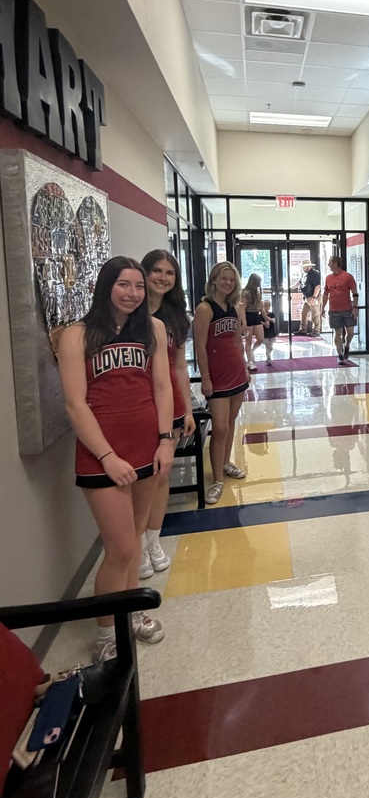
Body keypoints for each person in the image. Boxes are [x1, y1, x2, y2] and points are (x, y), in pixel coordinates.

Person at [58, 256, 174, 662]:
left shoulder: (152, 329)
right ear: (106, 286)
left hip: (147, 447)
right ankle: (107, 633)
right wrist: (106, 456)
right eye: (124, 284)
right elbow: (75, 404)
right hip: (101, 454)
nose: (133, 293)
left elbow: (162, 388)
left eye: (139, 286)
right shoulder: (77, 335)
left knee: (136, 541)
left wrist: (165, 440)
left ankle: (131, 614)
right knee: (121, 548)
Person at [139, 249, 195, 580]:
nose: (162, 277)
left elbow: (178, 367)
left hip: (170, 404)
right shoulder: (129, 313)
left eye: (169, 273)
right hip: (137, 404)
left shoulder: (176, 317)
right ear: (144, 273)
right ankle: (136, 543)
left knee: (161, 477)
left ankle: (152, 542)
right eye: (157, 271)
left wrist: (187, 407)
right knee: (142, 479)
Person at [193, 261, 249, 505]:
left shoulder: (233, 308)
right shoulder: (204, 309)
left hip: (236, 372)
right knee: (221, 427)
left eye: (232, 279)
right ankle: (216, 480)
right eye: (223, 278)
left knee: (232, 422)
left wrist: (245, 367)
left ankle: (225, 463)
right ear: (213, 280)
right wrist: (205, 378)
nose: (228, 283)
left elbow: (237, 342)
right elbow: (200, 347)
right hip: (217, 378)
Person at [321, 255, 358, 365]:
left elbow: (355, 293)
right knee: (337, 332)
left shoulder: (347, 277)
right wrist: (322, 307)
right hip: (334, 310)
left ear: (335, 263)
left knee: (350, 333)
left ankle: (346, 345)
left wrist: (355, 308)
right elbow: (325, 294)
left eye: (330, 263)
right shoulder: (328, 278)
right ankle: (340, 355)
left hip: (347, 309)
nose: (328, 265)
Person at [241, 273, 264, 368]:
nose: (259, 284)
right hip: (248, 315)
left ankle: (252, 352)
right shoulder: (245, 293)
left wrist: (266, 317)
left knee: (260, 339)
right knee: (248, 341)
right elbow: (242, 308)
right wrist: (244, 323)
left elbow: (260, 307)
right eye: (258, 282)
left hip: (256, 315)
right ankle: (250, 361)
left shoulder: (257, 293)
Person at [297, 260, 322, 336]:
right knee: (304, 314)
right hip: (307, 297)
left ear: (308, 266)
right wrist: (289, 287)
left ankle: (316, 331)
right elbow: (299, 282)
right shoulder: (305, 274)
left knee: (315, 314)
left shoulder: (315, 274)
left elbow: (318, 287)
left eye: (304, 267)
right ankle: (303, 330)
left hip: (313, 297)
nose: (303, 269)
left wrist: (314, 298)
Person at [262, 297, 278, 366]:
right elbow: (259, 322)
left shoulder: (272, 314)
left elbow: (273, 320)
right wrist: (264, 323)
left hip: (271, 332)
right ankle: (268, 358)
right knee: (267, 345)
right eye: (265, 306)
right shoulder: (261, 315)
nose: (267, 307)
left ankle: (269, 356)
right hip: (265, 333)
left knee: (271, 346)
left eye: (268, 306)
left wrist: (270, 320)